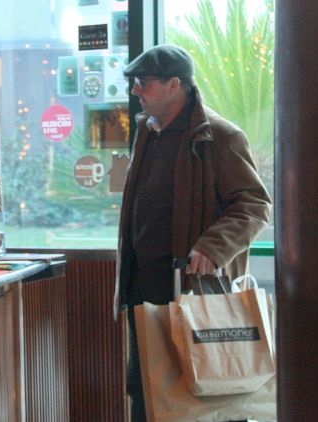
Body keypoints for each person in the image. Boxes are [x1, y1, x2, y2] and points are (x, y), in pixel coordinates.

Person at [113, 45, 272, 421]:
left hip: (195, 292)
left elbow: (254, 203)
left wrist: (214, 247)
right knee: (146, 391)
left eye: (143, 82)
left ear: (174, 85)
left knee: (208, 391)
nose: (136, 90)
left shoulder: (219, 136)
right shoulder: (147, 132)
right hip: (146, 291)